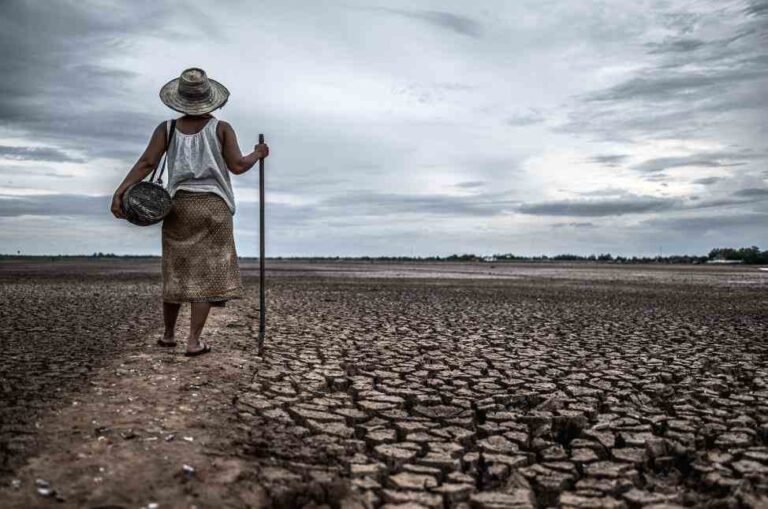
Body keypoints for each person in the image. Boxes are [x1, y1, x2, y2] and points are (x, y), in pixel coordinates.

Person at [111, 67, 269, 357]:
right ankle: (193, 341)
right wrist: (257, 154)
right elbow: (237, 166)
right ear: (210, 99)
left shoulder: (167, 129)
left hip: (178, 206)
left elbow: (147, 163)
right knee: (206, 276)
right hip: (215, 208)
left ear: (179, 99)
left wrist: (121, 190)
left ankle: (169, 335)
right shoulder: (221, 128)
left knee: (176, 270)